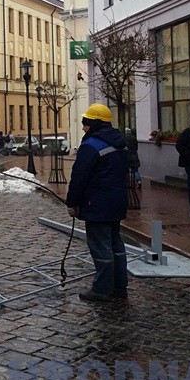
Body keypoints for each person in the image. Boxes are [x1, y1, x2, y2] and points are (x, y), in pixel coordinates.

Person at [65, 103, 129, 302]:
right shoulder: (120, 142)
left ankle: (102, 289)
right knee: (116, 245)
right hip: (117, 202)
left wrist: (72, 202)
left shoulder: (91, 145)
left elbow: (79, 177)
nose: (83, 127)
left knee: (101, 247)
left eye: (86, 123)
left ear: (95, 123)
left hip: (97, 204)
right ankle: (119, 286)